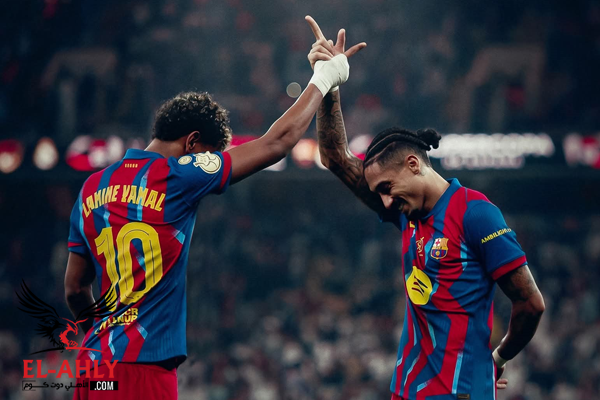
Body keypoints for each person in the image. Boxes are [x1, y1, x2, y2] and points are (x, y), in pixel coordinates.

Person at [64, 23, 366, 400]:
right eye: (208, 154)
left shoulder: (91, 187)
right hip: (144, 366)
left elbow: (74, 288)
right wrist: (326, 77)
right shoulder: (177, 175)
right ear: (192, 143)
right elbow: (277, 142)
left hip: (93, 368)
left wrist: (103, 336)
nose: (210, 163)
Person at [306, 17, 545, 400]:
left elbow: (530, 303)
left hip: (458, 391)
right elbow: (335, 158)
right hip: (407, 388)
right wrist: (328, 81)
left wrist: (498, 358)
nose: (384, 202)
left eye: (387, 188)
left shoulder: (475, 213)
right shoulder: (406, 211)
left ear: (414, 164)